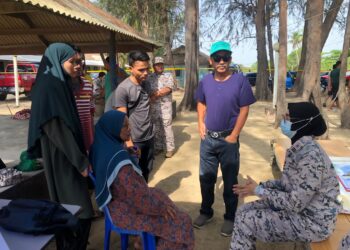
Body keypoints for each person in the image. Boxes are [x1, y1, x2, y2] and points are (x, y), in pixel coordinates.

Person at [230, 102, 341, 250]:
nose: (284, 120)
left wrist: (259, 191)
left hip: (314, 223)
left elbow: (294, 203)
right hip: (302, 211)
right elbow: (287, 184)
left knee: (246, 220)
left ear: (303, 124)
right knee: (242, 211)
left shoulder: (310, 158)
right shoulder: (300, 148)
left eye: (288, 117)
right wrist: (260, 186)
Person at [89, 110, 194, 250]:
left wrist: (129, 153)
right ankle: (156, 244)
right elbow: (138, 197)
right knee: (182, 221)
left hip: (116, 203)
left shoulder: (101, 145)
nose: (129, 128)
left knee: (160, 194)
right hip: (125, 211)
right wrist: (160, 209)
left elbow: (125, 182)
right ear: (113, 128)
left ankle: (143, 242)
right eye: (125, 126)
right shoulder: (120, 162)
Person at [27, 43, 93, 249]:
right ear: (58, 60)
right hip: (62, 156)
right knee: (80, 212)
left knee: (69, 210)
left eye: (79, 62)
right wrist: (81, 162)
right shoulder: (49, 86)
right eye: (72, 62)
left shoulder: (58, 82)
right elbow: (56, 128)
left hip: (66, 154)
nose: (77, 66)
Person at [193, 41, 256, 237]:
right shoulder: (205, 81)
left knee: (230, 181)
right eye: (217, 57)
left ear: (230, 59)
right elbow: (201, 102)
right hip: (208, 140)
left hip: (228, 140)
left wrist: (234, 135)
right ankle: (206, 212)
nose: (222, 61)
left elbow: (245, 108)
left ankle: (230, 217)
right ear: (211, 60)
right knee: (206, 179)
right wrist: (200, 123)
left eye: (225, 57)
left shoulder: (240, 81)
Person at [106, 50, 154, 182]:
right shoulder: (123, 89)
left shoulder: (146, 83)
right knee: (134, 177)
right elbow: (121, 120)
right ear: (131, 68)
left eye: (147, 69)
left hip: (149, 136)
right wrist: (129, 144)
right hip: (135, 140)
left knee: (146, 171)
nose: (146, 73)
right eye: (141, 70)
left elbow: (146, 106)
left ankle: (144, 197)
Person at [148, 56, 176, 158]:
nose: (159, 66)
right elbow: (147, 90)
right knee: (156, 127)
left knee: (167, 126)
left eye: (161, 64)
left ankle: (170, 148)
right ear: (153, 66)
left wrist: (156, 94)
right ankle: (159, 147)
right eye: (157, 64)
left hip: (165, 106)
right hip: (154, 107)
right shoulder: (150, 77)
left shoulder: (168, 75)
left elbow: (168, 88)